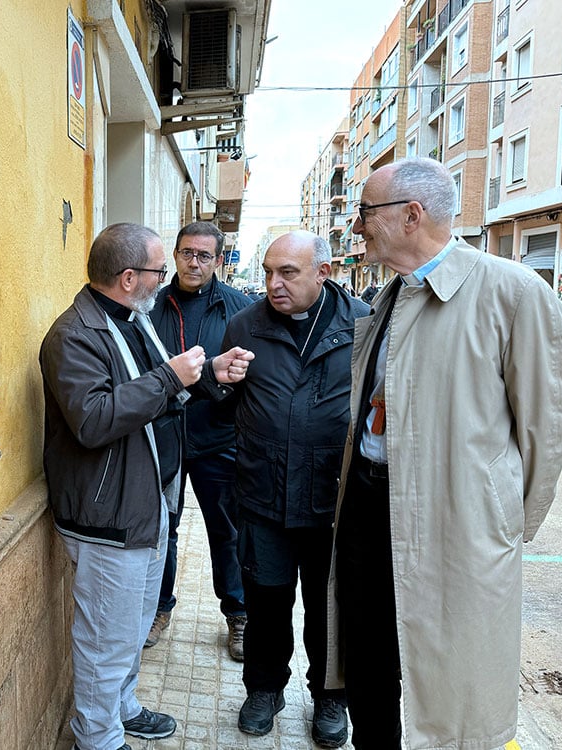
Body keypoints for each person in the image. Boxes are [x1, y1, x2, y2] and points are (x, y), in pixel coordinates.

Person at [327, 157, 562, 749]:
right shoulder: (388, 295)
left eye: (366, 212)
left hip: (457, 523)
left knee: (451, 681)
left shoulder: (512, 291)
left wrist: (501, 518)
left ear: (411, 216)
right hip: (367, 502)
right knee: (369, 655)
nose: (357, 226)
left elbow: (548, 424)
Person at [39, 222, 253, 750]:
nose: (168, 277)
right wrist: (172, 377)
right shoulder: (73, 336)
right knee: (104, 641)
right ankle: (99, 737)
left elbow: (159, 390)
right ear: (130, 277)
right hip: (106, 515)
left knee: (132, 626)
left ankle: (124, 706)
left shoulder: (133, 318)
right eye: (160, 268)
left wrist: (209, 375)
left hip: (147, 502)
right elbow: (93, 420)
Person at [206, 230, 363, 747]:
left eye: (288, 273)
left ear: (324, 272)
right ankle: (264, 689)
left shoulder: (362, 323)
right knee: (266, 601)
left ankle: (330, 697)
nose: (274, 284)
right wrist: (219, 380)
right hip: (263, 495)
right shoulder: (244, 325)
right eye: (270, 271)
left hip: (334, 501)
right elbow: (223, 404)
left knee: (329, 607)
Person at [146, 221, 252, 659]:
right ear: (174, 254)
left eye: (204, 255)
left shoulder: (240, 310)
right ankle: (159, 609)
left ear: (218, 259)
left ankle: (239, 614)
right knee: (161, 530)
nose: (194, 262)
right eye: (187, 252)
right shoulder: (149, 306)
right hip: (163, 438)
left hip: (218, 440)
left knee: (226, 531)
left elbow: (250, 376)